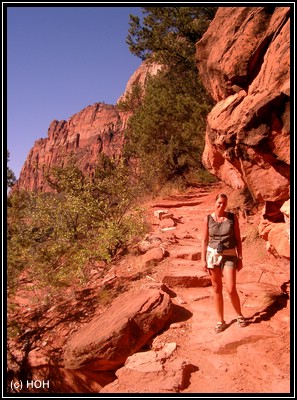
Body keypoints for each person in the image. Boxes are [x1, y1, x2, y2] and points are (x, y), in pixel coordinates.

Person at [201, 193, 247, 333]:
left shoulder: (232, 218)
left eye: (224, 203)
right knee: (216, 288)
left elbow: (238, 240)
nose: (221, 205)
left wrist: (240, 258)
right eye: (219, 203)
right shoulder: (208, 219)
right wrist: (203, 259)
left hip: (229, 255)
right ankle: (220, 320)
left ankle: (239, 315)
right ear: (215, 202)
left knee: (231, 288)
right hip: (213, 256)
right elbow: (204, 241)